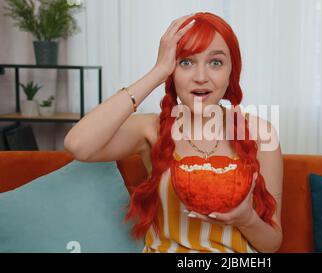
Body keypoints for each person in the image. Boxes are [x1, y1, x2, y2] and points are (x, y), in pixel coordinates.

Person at [64, 12, 283, 253]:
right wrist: (157, 72)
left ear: (232, 71)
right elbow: (77, 144)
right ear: (172, 70)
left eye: (216, 62)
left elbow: (272, 244)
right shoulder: (151, 129)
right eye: (186, 62)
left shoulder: (260, 133)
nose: (201, 77)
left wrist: (246, 219)